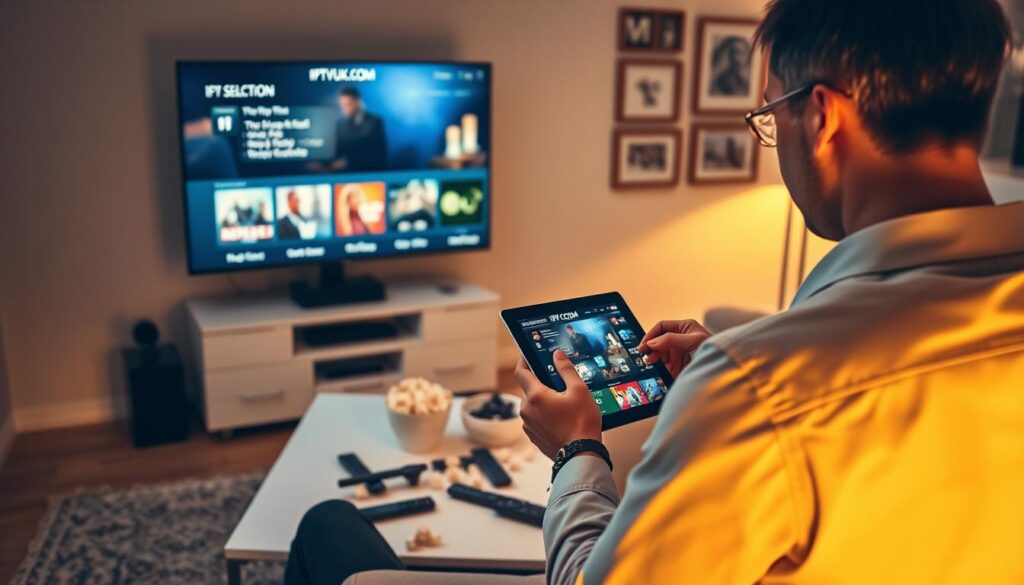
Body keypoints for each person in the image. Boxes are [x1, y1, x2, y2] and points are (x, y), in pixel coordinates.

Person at [284, 1, 1021, 583]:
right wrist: (735, 359)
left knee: (325, 527)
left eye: (770, 115)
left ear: (823, 117)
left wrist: (578, 450)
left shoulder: (757, 388)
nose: (773, 139)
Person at [329, 86, 388, 172]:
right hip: (344, 175)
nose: (345, 109)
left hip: (369, 173)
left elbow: (379, 154)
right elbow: (338, 153)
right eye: (342, 105)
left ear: (358, 102)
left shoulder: (375, 122)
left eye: (348, 104)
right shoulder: (340, 125)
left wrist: (349, 162)